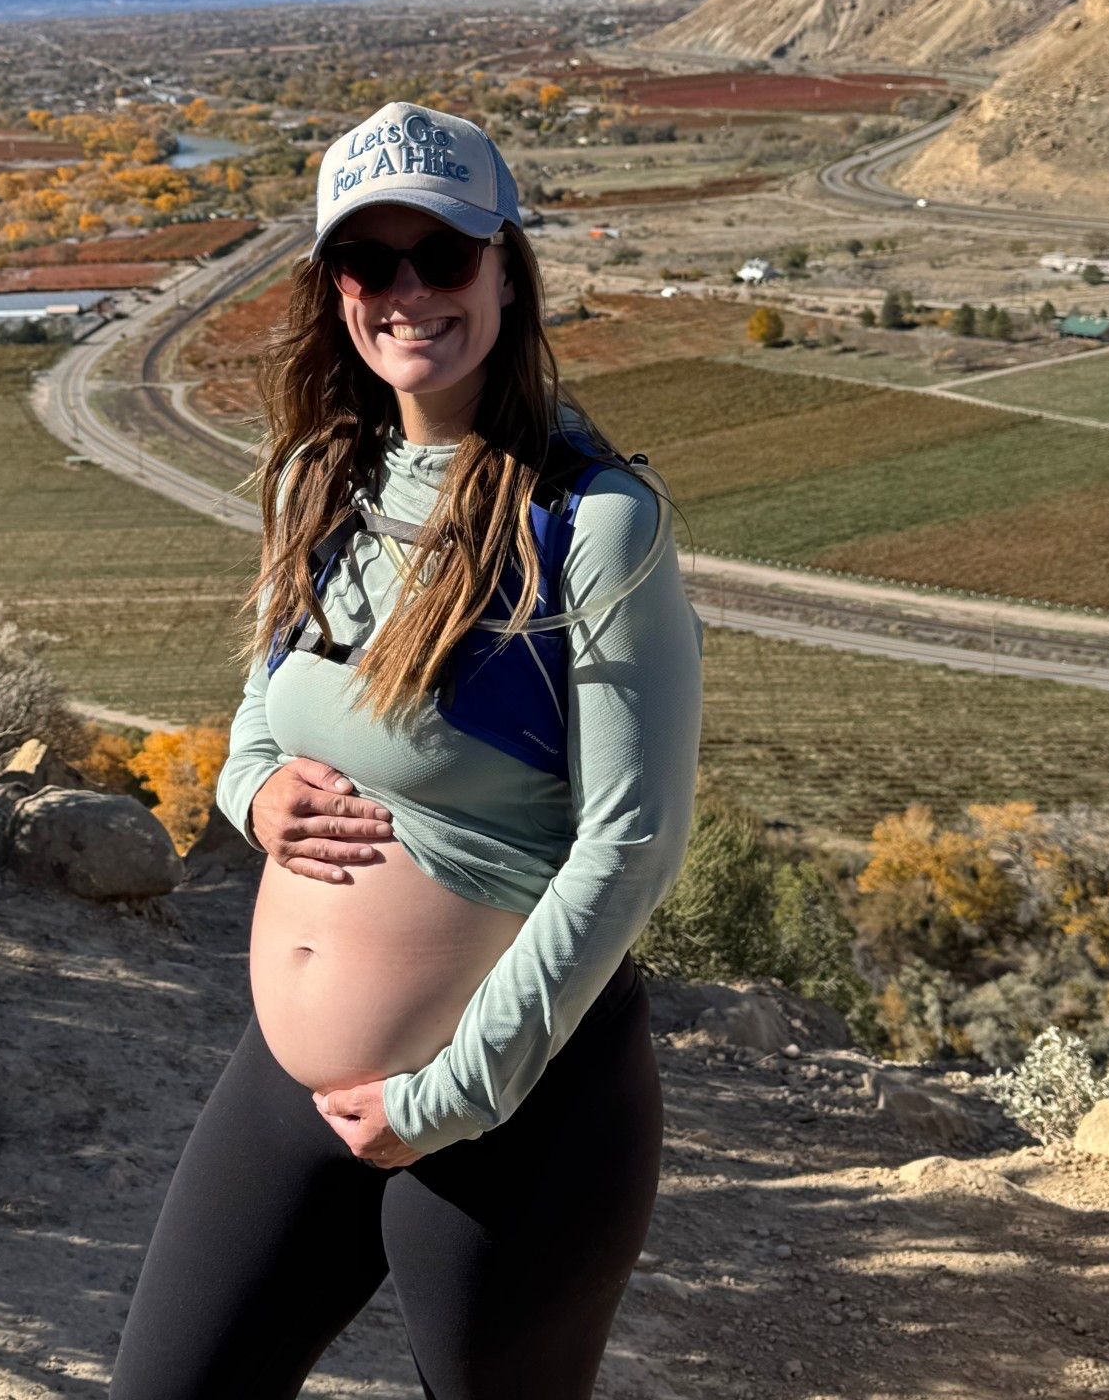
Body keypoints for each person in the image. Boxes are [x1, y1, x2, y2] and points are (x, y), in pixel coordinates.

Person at [109, 101, 704, 1400]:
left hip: (517, 1118)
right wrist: (253, 794)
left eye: (442, 255)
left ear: (505, 270)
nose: (408, 291)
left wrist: (448, 1095)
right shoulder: (318, 479)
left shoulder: (590, 525)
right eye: (370, 262)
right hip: (290, 1083)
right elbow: (265, 718)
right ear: (335, 289)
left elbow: (634, 841)